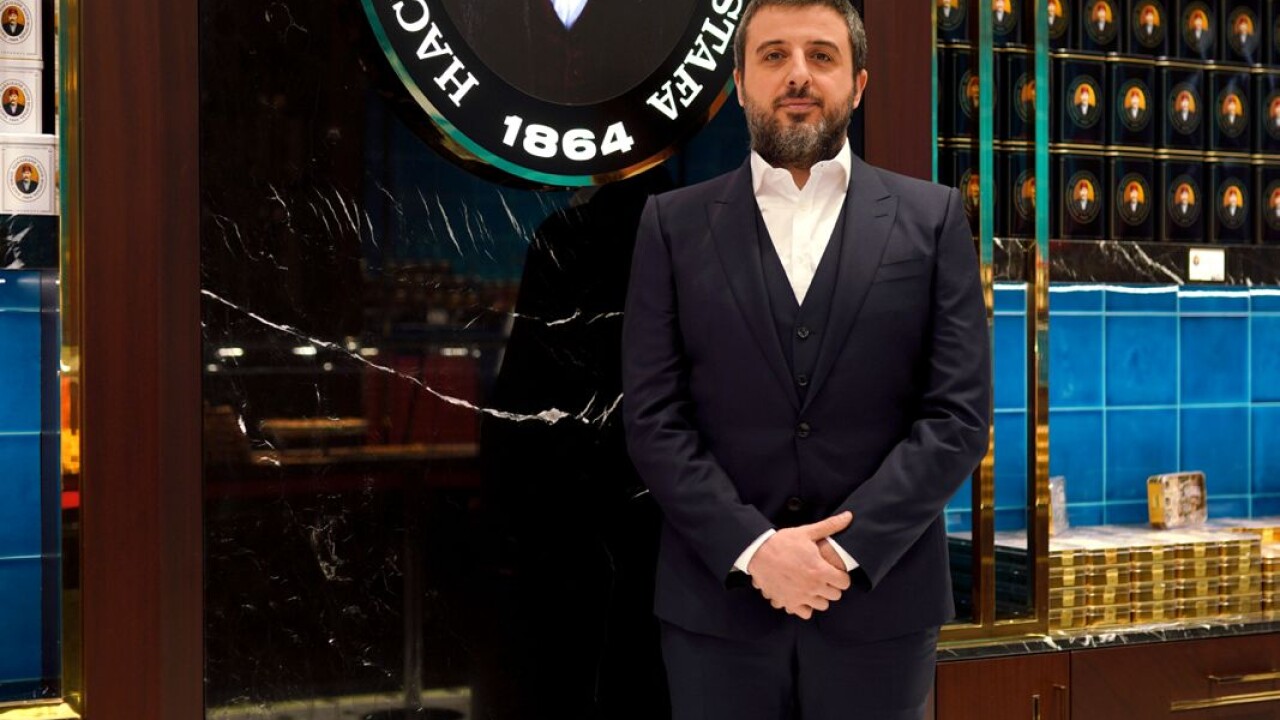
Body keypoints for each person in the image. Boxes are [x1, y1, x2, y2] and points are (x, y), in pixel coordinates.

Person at [621, 1, 991, 719]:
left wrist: (841, 555)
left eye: (821, 56)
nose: (798, 74)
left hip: (882, 610)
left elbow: (958, 418)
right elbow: (655, 420)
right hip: (717, 612)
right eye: (773, 56)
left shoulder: (934, 218)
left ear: (858, 83)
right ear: (740, 82)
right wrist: (756, 549)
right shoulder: (671, 225)